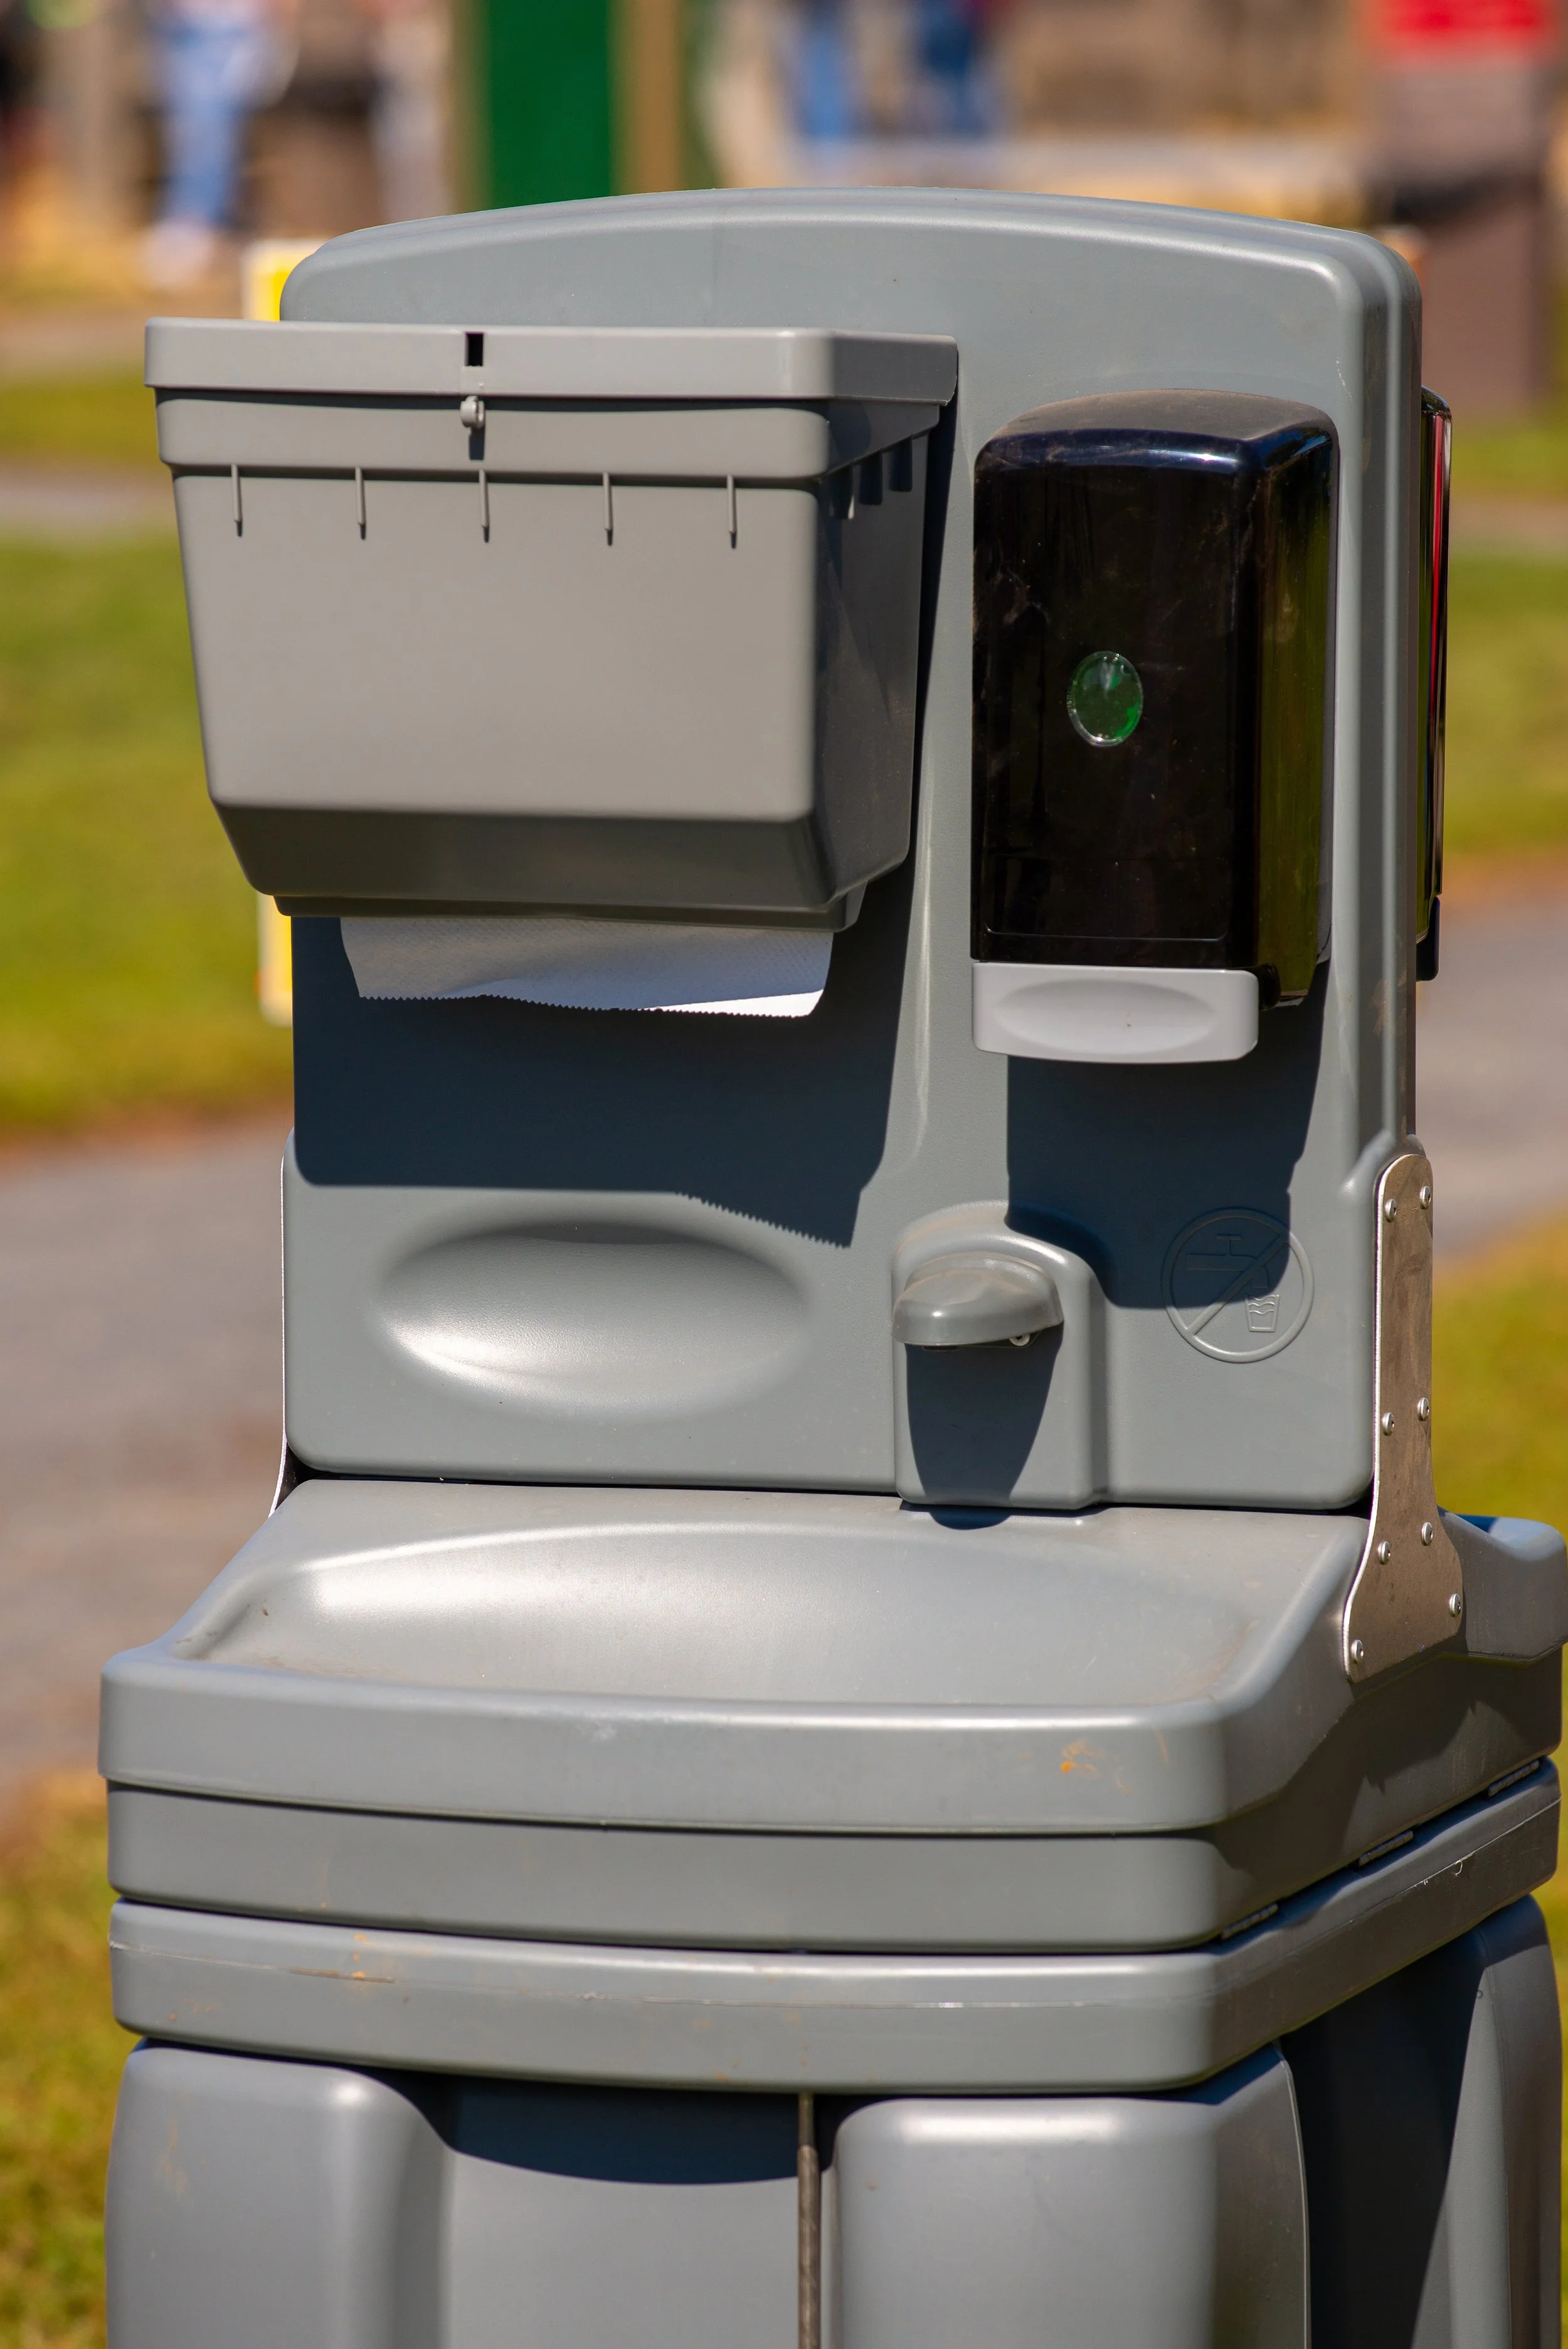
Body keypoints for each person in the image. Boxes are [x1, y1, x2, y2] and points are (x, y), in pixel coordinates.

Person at [141, 0, 294, 288]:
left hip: (227, 25)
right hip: (179, 22)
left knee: (208, 133)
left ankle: (195, 229)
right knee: (190, 133)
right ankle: (197, 227)